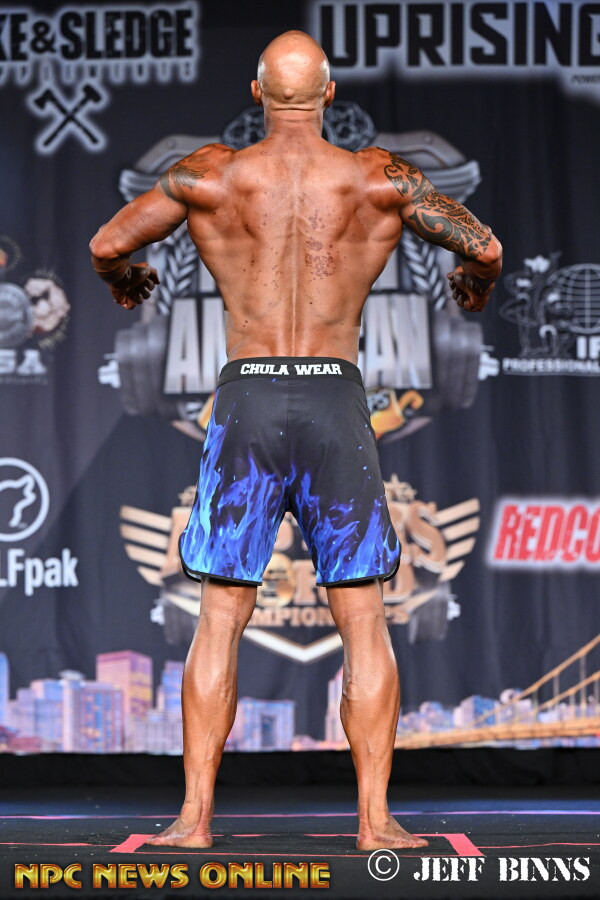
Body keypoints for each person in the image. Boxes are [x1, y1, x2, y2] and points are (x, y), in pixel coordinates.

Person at [90, 30, 502, 851]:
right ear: (328, 92)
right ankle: (376, 823)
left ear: (256, 93)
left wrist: (127, 280)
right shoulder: (378, 177)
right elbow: (484, 248)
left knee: (219, 617)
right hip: (333, 401)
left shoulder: (211, 173)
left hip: (245, 400)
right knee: (364, 620)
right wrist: (473, 285)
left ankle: (194, 820)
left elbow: (108, 246)